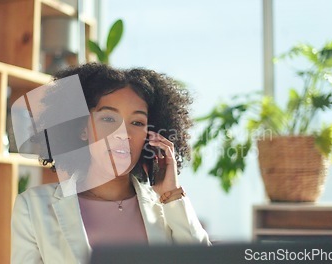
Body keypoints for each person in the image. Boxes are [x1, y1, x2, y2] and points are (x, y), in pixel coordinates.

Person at [11, 63, 211, 263]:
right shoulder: (33, 207)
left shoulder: (167, 207)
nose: (123, 134)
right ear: (82, 129)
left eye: (137, 123)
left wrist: (172, 195)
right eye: (108, 119)